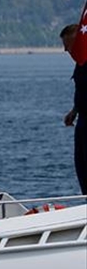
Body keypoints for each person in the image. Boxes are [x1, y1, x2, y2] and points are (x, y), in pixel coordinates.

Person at [60, 22, 87, 195]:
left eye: (67, 45)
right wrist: (75, 110)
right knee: (82, 166)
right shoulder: (81, 64)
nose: (65, 50)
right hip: (83, 117)